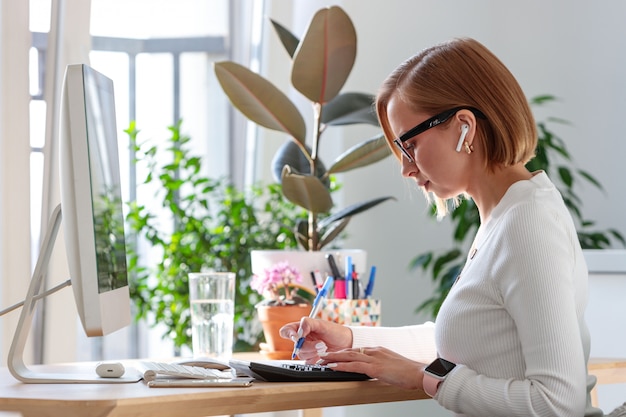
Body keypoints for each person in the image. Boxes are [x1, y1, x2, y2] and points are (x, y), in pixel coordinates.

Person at [280, 37, 604, 417]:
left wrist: (426, 377)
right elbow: (468, 343)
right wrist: (352, 340)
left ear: (464, 126)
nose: (406, 167)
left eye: (410, 144)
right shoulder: (505, 216)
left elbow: (556, 404)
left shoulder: (527, 225)